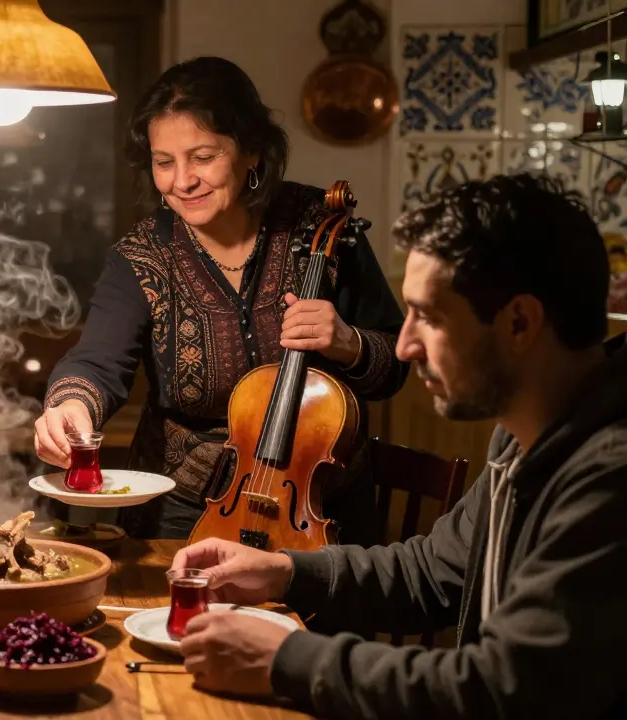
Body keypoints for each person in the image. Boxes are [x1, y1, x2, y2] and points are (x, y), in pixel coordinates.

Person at [171, 174, 627, 718]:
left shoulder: (609, 473)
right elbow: (433, 573)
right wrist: (285, 572)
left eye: (429, 317)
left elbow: (503, 687)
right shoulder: (529, 431)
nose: (406, 346)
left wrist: (288, 658)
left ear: (520, 322)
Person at [35, 56, 409, 541]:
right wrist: (70, 406)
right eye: (163, 162)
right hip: (185, 509)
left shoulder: (322, 228)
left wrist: (348, 343)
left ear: (251, 150)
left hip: (319, 505)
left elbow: (396, 360)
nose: (182, 181)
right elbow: (95, 362)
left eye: (203, 157)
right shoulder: (142, 256)